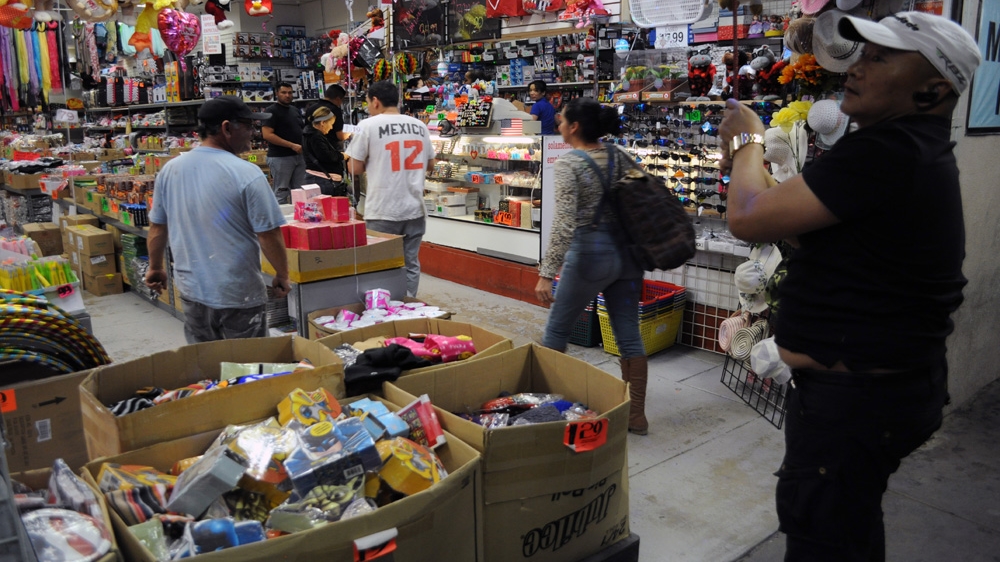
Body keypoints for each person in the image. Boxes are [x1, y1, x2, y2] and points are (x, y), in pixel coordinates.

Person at [718, 12, 981, 561]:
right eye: (861, 54)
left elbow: (747, 216)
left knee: (825, 540)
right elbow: (781, 214)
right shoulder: (904, 148)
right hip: (879, 395)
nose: (856, 68)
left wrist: (745, 138)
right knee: (849, 530)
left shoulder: (887, 153)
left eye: (881, 58)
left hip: (855, 405)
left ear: (932, 89)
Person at [533, 97, 648, 434]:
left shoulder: (570, 164)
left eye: (562, 118)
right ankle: (636, 416)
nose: (558, 122)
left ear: (575, 127)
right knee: (628, 335)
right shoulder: (619, 155)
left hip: (589, 255)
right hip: (627, 256)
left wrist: (545, 273)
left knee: (556, 331)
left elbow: (564, 223)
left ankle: (544, 410)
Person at [145, 96, 291, 343]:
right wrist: (282, 274)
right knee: (249, 370)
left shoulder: (170, 169)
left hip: (191, 289)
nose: (253, 133)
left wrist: (156, 267)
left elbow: (158, 227)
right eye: (248, 126)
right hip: (238, 293)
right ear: (226, 127)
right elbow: (268, 234)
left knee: (206, 366)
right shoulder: (247, 173)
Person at [345, 80, 433, 297]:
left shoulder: (368, 125)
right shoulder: (419, 126)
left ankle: (383, 310)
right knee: (410, 263)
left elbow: (355, 168)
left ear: (375, 101)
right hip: (414, 209)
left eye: (367, 102)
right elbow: (430, 165)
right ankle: (408, 304)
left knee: (379, 265)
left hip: (383, 209)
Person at [262, 82, 305, 203]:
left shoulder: (294, 110)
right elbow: (267, 135)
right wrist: (291, 145)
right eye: (284, 92)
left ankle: (298, 220)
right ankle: (280, 221)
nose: (287, 95)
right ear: (277, 94)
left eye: (290, 93)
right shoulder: (271, 111)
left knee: (300, 193)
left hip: (299, 156)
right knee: (281, 192)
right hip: (280, 157)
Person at [302, 106, 349, 200]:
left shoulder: (310, 134)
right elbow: (326, 156)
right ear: (323, 123)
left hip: (320, 179)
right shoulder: (316, 137)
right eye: (331, 124)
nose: (331, 128)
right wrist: (342, 156)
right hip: (322, 180)